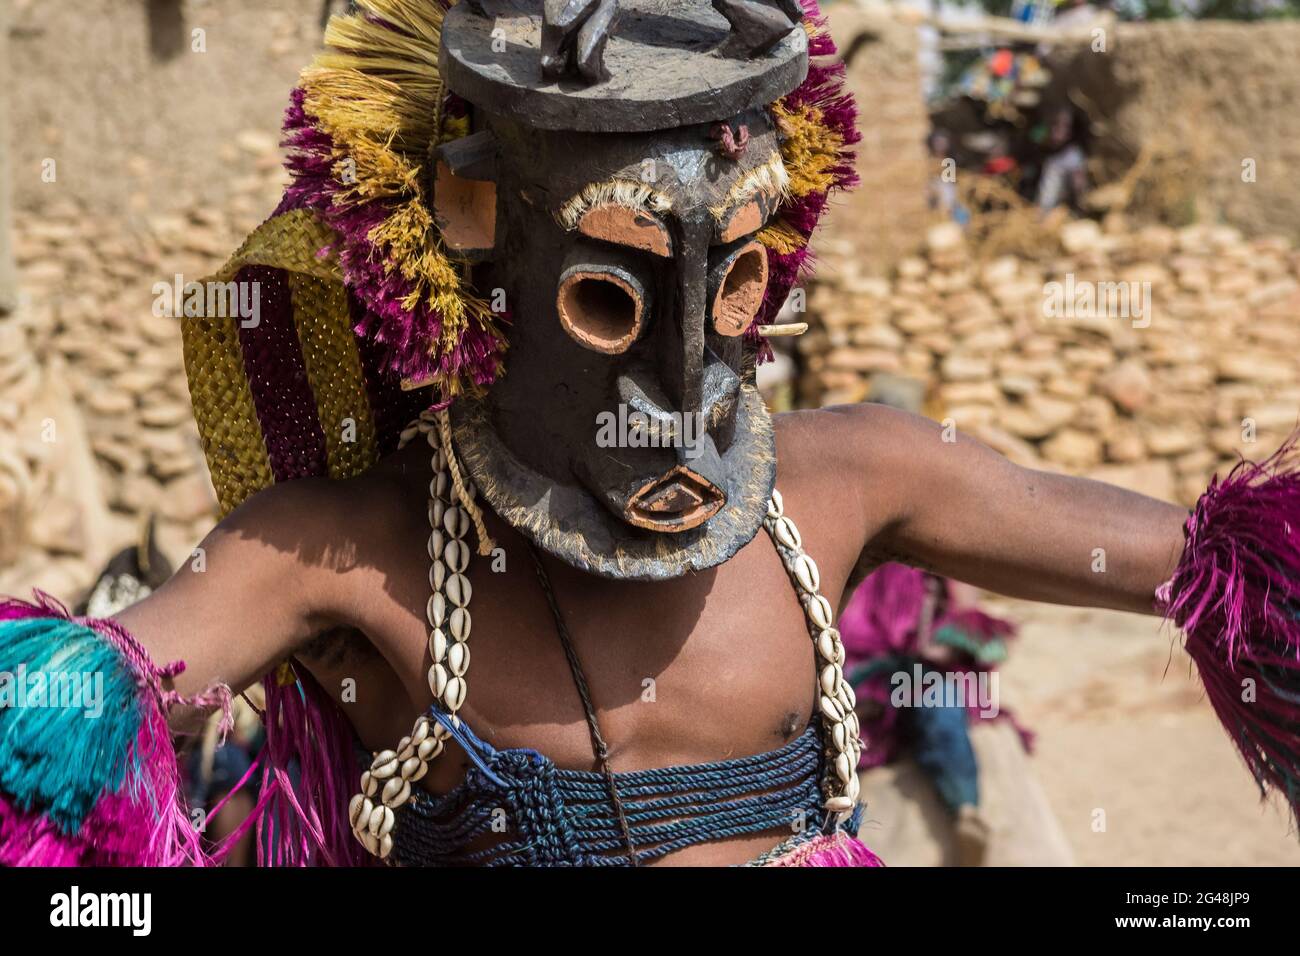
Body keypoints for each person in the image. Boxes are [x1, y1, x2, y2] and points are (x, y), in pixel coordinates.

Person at [1, 0, 1297, 868]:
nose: (682, 379)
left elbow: (1228, 569)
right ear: (470, 235)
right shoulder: (341, 553)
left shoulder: (852, 481)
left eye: (730, 281)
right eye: (608, 293)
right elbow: (56, 726)